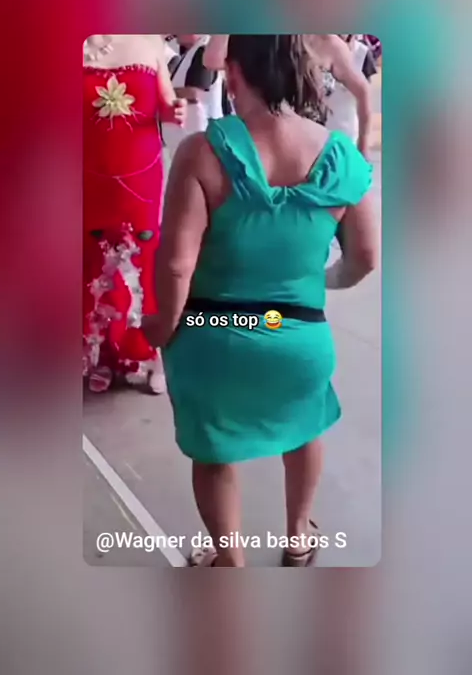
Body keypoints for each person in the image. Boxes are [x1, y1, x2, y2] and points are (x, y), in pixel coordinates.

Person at [143, 35, 378, 567]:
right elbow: (365, 258)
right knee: (305, 427)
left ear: (234, 73)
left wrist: (162, 326)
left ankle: (230, 558)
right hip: (297, 335)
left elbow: (177, 263)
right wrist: (319, 283)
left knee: (214, 450)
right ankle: (297, 535)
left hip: (212, 333)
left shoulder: (202, 151)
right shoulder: (339, 154)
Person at [83, 35, 185, 392]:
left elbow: (166, 103)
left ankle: (147, 352)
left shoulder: (150, 41)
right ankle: (102, 354)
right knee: (95, 262)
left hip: (140, 174)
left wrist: (175, 110)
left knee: (143, 258)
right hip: (88, 173)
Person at [162, 35, 225, 159]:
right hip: (186, 148)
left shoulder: (203, 50)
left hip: (199, 150)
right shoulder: (190, 54)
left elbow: (195, 92)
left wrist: (159, 92)